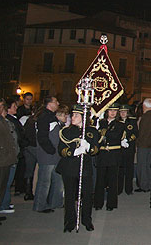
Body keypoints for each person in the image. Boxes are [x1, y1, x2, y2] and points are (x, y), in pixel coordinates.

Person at [56, 104, 99, 232]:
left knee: (87, 195)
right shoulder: (66, 131)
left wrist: (88, 147)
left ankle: (87, 220)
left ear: (83, 117)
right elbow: (61, 150)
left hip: (84, 168)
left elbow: (96, 150)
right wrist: (74, 151)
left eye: (76, 115)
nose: (72, 117)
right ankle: (69, 222)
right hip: (69, 168)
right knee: (69, 196)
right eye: (73, 114)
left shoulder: (91, 132)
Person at [33, 96, 64, 213]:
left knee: (57, 179)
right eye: (56, 101)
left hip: (55, 155)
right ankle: (40, 205)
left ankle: (56, 202)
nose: (58, 103)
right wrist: (51, 150)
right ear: (50, 104)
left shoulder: (51, 116)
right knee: (44, 181)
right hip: (47, 155)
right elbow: (42, 137)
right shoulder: (44, 117)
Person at [94, 103, 126, 211]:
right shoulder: (101, 122)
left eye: (115, 111)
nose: (112, 113)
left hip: (113, 154)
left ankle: (111, 204)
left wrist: (105, 131)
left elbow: (115, 136)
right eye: (110, 110)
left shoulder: (120, 124)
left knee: (112, 180)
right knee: (100, 180)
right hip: (102, 154)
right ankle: (98, 203)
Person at [0, 99, 18, 226]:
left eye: (1, 106)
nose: (0, 108)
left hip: (6, 159)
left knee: (2, 187)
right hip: (1, 159)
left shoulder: (3, 120)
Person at [136, 98, 151, 193]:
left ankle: (143, 185)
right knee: (149, 166)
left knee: (142, 165)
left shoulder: (145, 117)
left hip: (144, 144)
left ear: (144, 106)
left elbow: (142, 132)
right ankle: (149, 183)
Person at [118, 105, 138, 195]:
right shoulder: (116, 122)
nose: (123, 113)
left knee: (129, 169)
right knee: (120, 169)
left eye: (124, 111)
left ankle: (128, 189)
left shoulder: (132, 121)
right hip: (119, 149)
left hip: (129, 148)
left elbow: (136, 133)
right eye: (121, 111)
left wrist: (128, 140)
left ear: (127, 112)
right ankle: (119, 188)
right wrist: (120, 141)